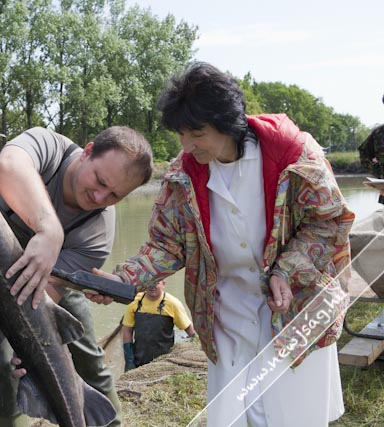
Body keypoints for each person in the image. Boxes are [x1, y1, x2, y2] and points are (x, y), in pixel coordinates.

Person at [94, 62, 354, 426]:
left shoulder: (295, 155)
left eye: (197, 133)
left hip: (293, 306)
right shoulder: (184, 174)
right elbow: (166, 244)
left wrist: (287, 270)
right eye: (181, 134)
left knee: (291, 412)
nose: (187, 145)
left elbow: (328, 221)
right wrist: (123, 280)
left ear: (227, 122)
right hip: (227, 314)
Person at [0, 126, 153, 427]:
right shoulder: (49, 146)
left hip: (43, 285)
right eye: (100, 181)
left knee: (88, 358)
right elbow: (8, 164)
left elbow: (39, 297)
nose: (100, 196)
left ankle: (109, 422)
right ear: (87, 152)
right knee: (1, 365)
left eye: (115, 195)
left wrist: (30, 342)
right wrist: (50, 230)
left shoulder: (98, 235)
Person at [121, 280, 196, 371]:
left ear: (164, 284)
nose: (151, 286)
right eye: (149, 282)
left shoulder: (173, 303)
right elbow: (127, 330)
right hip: (139, 358)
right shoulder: (135, 301)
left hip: (164, 360)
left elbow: (188, 328)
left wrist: (197, 345)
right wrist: (129, 361)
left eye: (156, 283)